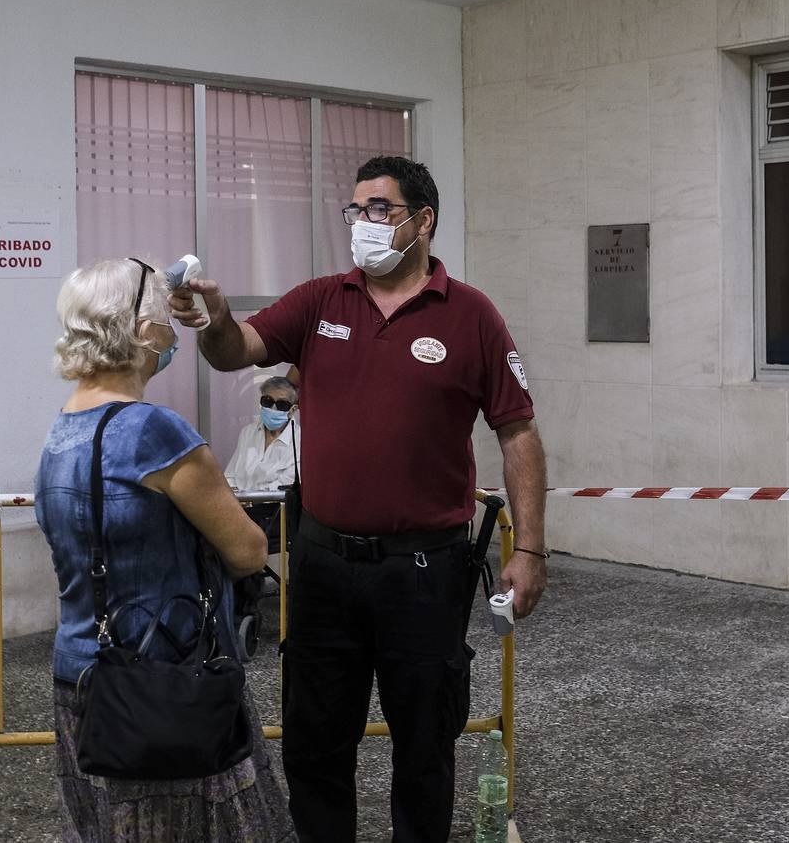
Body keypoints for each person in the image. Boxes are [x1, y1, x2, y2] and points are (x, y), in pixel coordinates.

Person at [169, 155, 548, 842]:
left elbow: (517, 431)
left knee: (424, 745)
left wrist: (530, 546)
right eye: (356, 210)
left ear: (422, 221)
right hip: (323, 567)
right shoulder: (322, 300)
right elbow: (236, 351)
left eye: (380, 209)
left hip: (425, 571)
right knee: (316, 746)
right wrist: (216, 318)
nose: (363, 223)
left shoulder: (471, 316)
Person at [35, 258, 295, 842]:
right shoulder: (154, 432)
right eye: (161, 309)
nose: (172, 326)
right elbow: (249, 550)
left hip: (83, 675)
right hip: (168, 679)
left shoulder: (63, 428)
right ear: (139, 330)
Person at [223, 376, 300, 493]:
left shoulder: (300, 439)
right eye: (267, 401)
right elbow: (230, 475)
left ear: (293, 410)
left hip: (275, 507)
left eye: (281, 404)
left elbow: (287, 484)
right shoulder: (248, 432)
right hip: (239, 504)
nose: (273, 409)